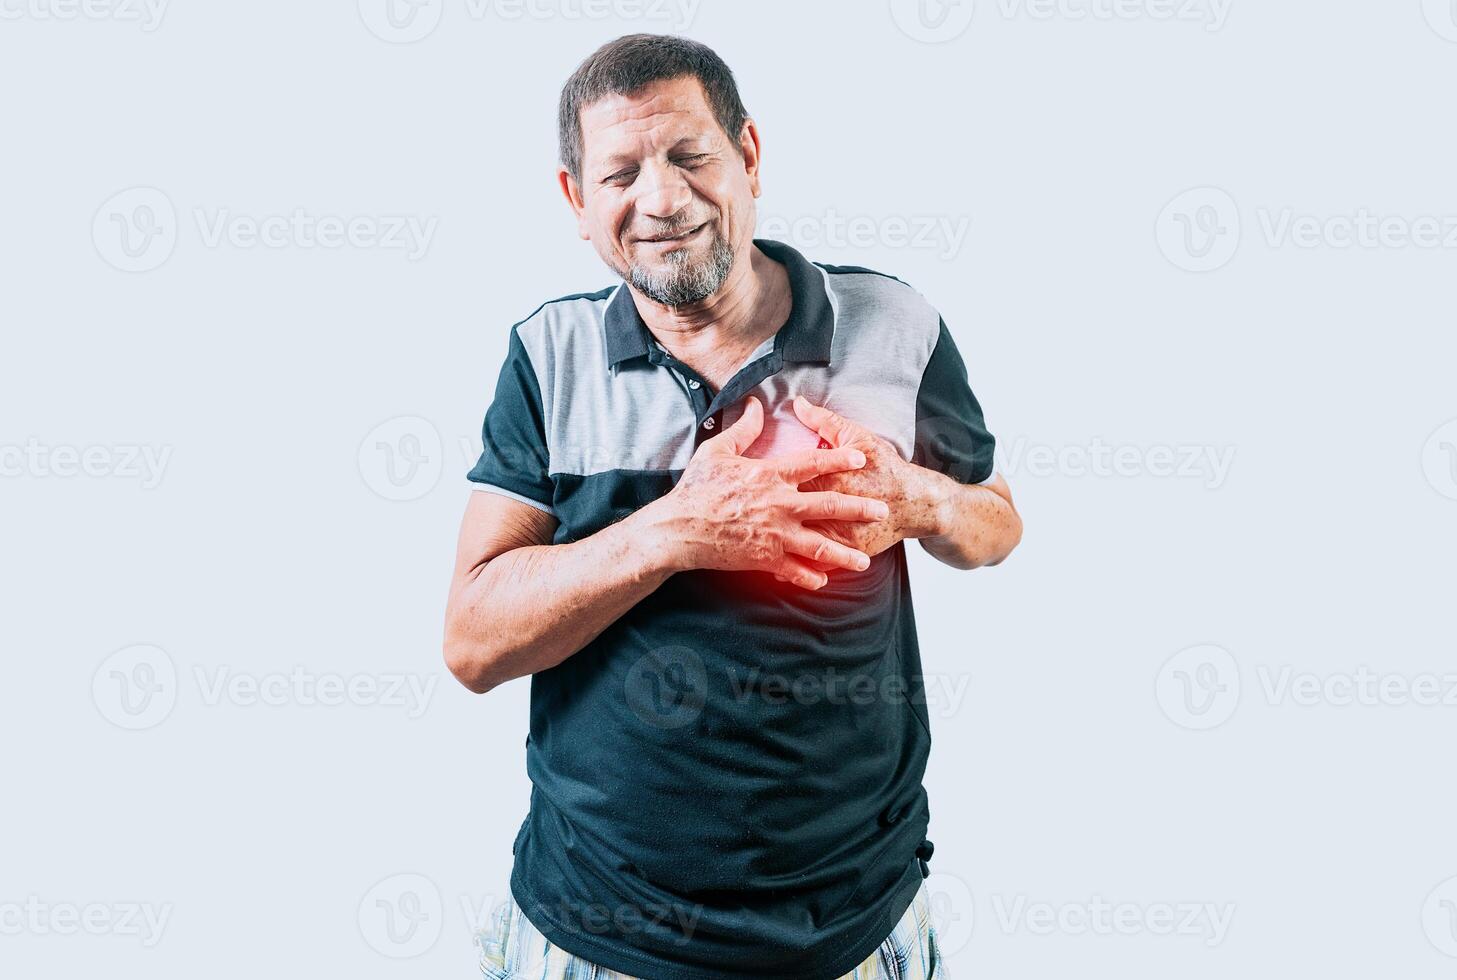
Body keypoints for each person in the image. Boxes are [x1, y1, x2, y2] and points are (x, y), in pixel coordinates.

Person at [444, 33, 1023, 980]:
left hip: (855, 923)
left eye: (689, 156)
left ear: (747, 155)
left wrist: (917, 500)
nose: (660, 199)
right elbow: (473, 642)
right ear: (575, 201)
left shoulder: (895, 325)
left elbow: (994, 522)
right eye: (619, 172)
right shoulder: (548, 357)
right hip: (599, 932)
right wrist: (675, 530)